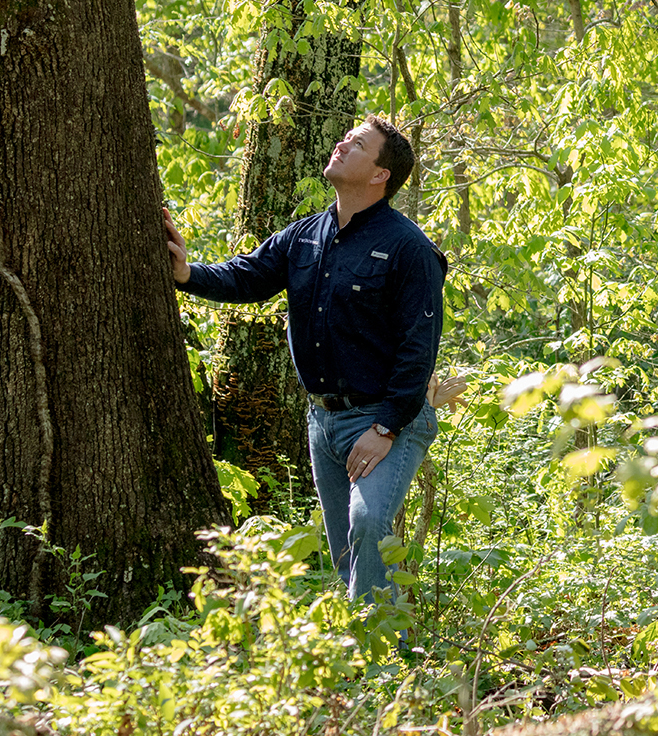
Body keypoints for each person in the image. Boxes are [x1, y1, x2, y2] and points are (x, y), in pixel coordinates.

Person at [163, 116, 447, 606]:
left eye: (357, 144)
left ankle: (380, 671)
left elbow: (418, 347)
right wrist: (187, 274)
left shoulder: (410, 249)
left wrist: (384, 429)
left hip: (384, 419)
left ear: (381, 174)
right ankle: (377, 656)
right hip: (323, 420)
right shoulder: (306, 235)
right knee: (345, 555)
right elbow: (247, 277)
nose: (341, 144)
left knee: (369, 524)